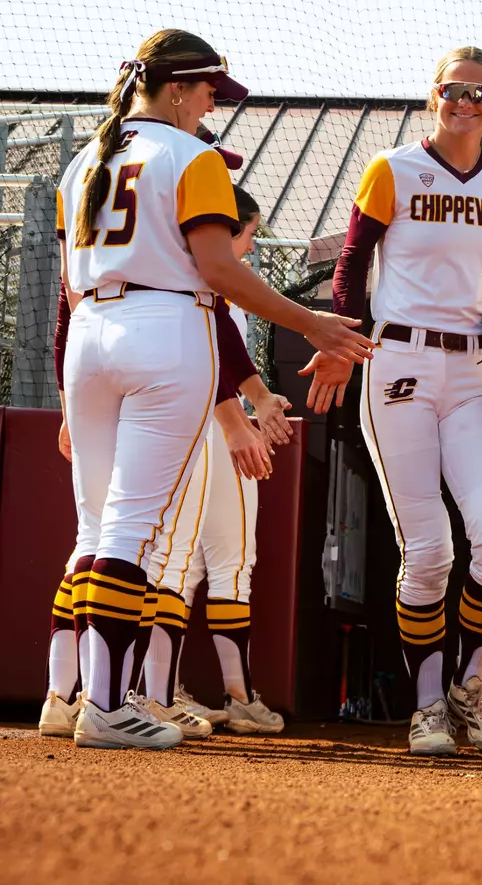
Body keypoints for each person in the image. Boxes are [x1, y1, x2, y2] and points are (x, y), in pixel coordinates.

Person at [54, 29, 372, 751]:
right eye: (206, 92)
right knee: (134, 528)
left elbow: (71, 287)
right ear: (174, 89)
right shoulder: (190, 157)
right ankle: (109, 706)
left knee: (99, 529)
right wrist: (311, 323)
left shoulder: (82, 162)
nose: (209, 108)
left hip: (90, 333)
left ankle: (85, 699)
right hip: (165, 328)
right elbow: (220, 270)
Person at [302, 47, 482, 756]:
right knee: (430, 550)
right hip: (396, 359)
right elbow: (351, 264)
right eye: (453, 90)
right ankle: (428, 703)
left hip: (470, 369)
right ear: (432, 95)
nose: (465, 103)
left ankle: (471, 686)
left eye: (481, 93)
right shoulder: (391, 167)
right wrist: (342, 343)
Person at [166, 185, 287, 736]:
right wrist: (243, 417)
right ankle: (235, 695)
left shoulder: (175, 276)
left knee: (178, 563)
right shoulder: (211, 285)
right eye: (251, 231)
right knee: (226, 565)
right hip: (215, 435)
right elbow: (214, 365)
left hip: (187, 426)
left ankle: (157, 691)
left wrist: (256, 401)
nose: (252, 243)